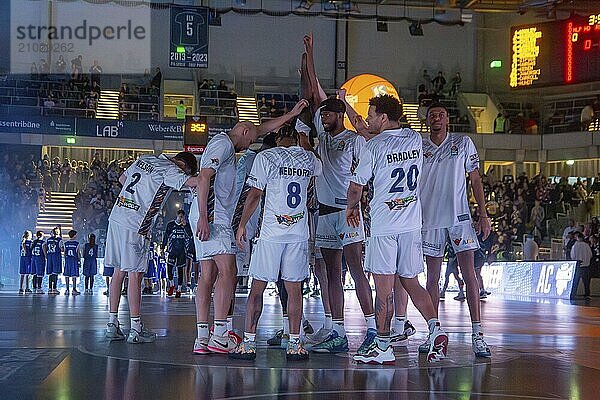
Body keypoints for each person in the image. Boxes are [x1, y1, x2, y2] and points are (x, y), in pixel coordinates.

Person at [191, 99, 309, 355]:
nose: (251, 143)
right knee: (229, 272)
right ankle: (220, 335)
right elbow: (204, 177)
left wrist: (289, 115)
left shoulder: (229, 145)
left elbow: (263, 128)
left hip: (210, 215)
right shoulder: (222, 144)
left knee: (208, 275)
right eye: (251, 138)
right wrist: (203, 215)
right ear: (244, 131)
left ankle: (202, 338)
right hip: (213, 216)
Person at [346, 94, 448, 364]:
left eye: (371, 115)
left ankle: (382, 346)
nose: (368, 119)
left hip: (385, 225)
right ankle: (435, 328)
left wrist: (351, 208)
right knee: (411, 282)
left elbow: (357, 186)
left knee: (384, 290)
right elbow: (379, 135)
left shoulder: (373, 147)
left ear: (382, 117)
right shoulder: (415, 139)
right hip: (412, 224)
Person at [301, 34, 375, 355]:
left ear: (339, 115)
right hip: (325, 214)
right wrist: (310, 55)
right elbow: (315, 91)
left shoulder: (353, 140)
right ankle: (338, 330)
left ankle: (373, 329)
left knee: (356, 270)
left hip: (348, 212)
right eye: (323, 114)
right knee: (329, 274)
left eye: (330, 114)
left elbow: (366, 158)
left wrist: (358, 201)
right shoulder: (324, 135)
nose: (324, 116)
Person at [230, 126, 322, 361]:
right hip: (298, 233)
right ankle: (294, 343)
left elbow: (254, 194)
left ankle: (249, 344)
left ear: (278, 138)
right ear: (296, 138)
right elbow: (319, 165)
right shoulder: (307, 157)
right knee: (294, 291)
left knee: (257, 289)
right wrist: (305, 140)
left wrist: (242, 224)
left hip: (271, 233)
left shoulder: (266, 156)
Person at [421, 102, 492, 358]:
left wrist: (483, 215)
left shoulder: (462, 144)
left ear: (448, 120)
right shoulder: (419, 145)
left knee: (470, 274)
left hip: (459, 218)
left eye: (441, 114)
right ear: (427, 121)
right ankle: (433, 332)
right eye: (432, 115)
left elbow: (475, 179)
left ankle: (477, 334)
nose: (436, 118)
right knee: (432, 277)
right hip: (429, 220)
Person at [104, 151, 198, 344]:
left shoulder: (145, 159)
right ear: (184, 166)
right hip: (136, 223)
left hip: (117, 216)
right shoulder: (170, 169)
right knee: (136, 275)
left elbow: (123, 179)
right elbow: (192, 183)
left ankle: (112, 324)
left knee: (118, 272)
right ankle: (136, 328)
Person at [163, 209, 194, 298]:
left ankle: (179, 290)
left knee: (180, 271)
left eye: (183, 217)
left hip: (182, 252)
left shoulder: (186, 226)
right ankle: (172, 285)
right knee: (169, 269)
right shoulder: (170, 225)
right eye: (180, 216)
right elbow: (166, 236)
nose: (181, 218)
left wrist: (185, 226)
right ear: (177, 216)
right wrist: (162, 247)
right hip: (172, 250)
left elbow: (191, 235)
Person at [570, 232, 593, 299]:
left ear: (577, 238)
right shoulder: (587, 246)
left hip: (578, 265)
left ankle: (573, 294)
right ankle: (587, 294)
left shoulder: (575, 246)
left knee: (575, 281)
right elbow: (590, 255)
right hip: (586, 266)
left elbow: (572, 256)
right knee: (586, 282)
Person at [46, 227, 63, 295]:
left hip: (50, 256)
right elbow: (62, 249)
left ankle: (50, 288)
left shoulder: (48, 240)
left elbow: (46, 248)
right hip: (56, 257)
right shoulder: (59, 240)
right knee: (55, 273)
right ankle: (55, 288)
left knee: (50, 274)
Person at [63, 230, 81, 295]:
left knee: (67, 275)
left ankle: (67, 289)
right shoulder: (77, 243)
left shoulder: (66, 243)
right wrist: (79, 261)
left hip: (68, 260)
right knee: (74, 275)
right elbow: (78, 253)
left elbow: (65, 253)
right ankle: (74, 289)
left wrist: (65, 260)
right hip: (74, 260)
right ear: (74, 235)